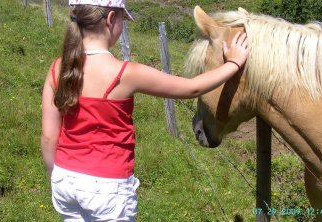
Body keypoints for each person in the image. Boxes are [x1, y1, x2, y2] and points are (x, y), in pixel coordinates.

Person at [41, 0, 249, 221]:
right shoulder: (125, 74)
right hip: (106, 188)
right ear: (111, 19)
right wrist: (233, 63)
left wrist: (57, 175)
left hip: (65, 179)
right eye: (123, 20)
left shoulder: (57, 68)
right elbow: (192, 88)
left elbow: (48, 137)